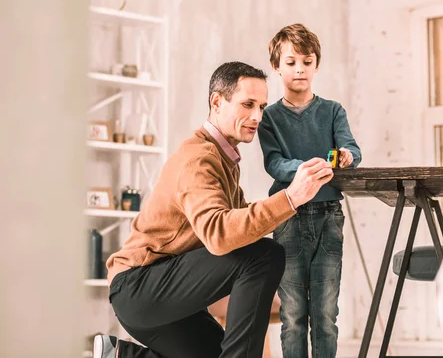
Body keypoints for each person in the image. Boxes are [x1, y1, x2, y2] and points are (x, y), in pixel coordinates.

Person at [93, 61, 334, 358]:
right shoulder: (199, 158)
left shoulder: (222, 158)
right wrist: (290, 198)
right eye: (247, 104)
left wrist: (300, 200)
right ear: (217, 102)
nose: (257, 116)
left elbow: (240, 219)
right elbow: (219, 235)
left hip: (160, 296)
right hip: (141, 288)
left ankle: (121, 355)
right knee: (264, 255)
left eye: (261, 106)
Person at [257, 24, 362, 358]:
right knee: (292, 314)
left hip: (329, 216)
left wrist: (347, 156)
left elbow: (352, 150)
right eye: (290, 62)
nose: (299, 68)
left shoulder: (333, 111)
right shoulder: (268, 117)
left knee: (326, 315)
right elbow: (274, 163)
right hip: (288, 216)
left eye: (307, 61)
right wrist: (303, 169)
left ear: (317, 65)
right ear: (277, 67)